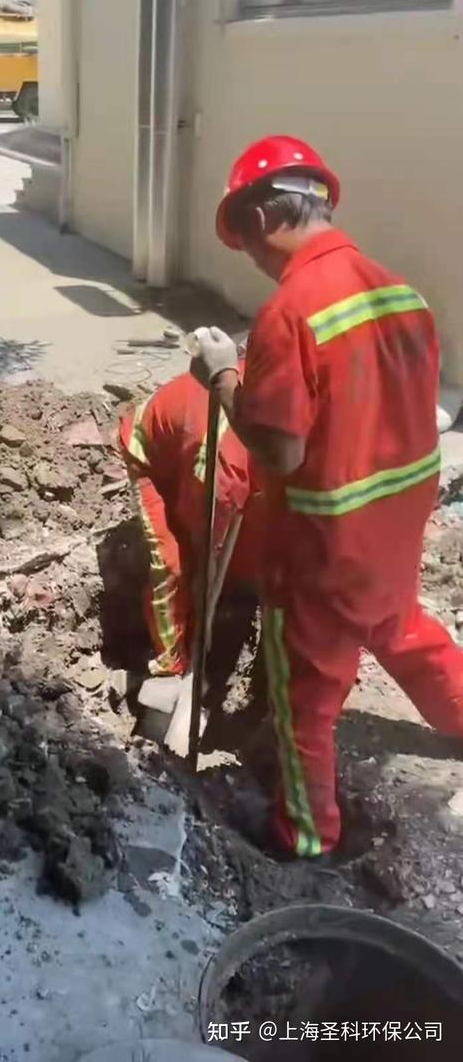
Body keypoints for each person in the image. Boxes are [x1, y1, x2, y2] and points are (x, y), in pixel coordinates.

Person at [191, 134, 463, 858]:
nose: (251, 257)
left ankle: (306, 835)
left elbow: (279, 449)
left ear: (259, 220)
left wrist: (221, 376)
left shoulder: (291, 314)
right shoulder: (401, 293)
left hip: (322, 548)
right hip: (395, 527)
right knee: (404, 629)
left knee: (306, 699)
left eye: (244, 241)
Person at [119, 369, 265, 677]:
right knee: (174, 563)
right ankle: (171, 664)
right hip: (153, 455)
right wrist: (205, 576)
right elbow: (203, 541)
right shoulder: (222, 469)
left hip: (195, 455)